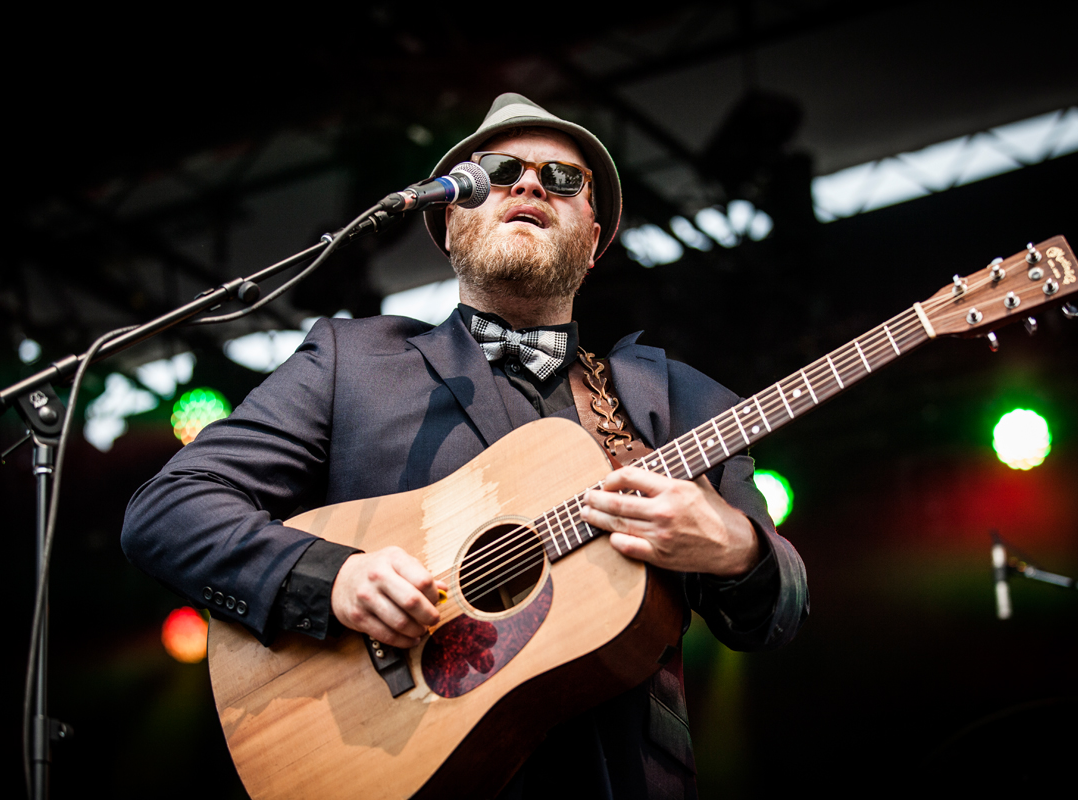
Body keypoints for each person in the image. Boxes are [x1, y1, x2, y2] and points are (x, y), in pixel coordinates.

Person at [122, 93, 808, 799]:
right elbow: (169, 509)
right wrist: (333, 579)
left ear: (595, 238)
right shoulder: (349, 364)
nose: (530, 184)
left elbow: (778, 613)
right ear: (451, 220)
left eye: (563, 179)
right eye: (501, 169)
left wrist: (735, 547)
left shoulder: (681, 401)